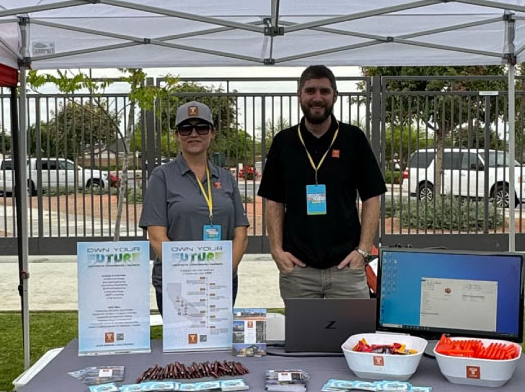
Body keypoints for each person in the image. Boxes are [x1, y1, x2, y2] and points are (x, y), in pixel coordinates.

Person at [258, 63, 385, 299]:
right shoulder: (283, 142)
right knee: (304, 336)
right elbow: (273, 201)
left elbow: (372, 196)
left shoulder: (353, 139)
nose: (317, 98)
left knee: (354, 335)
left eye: (324, 91)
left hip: (347, 269)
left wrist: (364, 250)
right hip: (298, 271)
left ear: (335, 96)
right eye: (310, 91)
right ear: (299, 95)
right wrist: (277, 251)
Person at [140, 101, 249, 312]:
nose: (193, 134)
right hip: (176, 282)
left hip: (221, 281)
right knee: (182, 342)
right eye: (185, 128)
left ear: (212, 133)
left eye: (201, 127)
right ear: (176, 135)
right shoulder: (162, 176)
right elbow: (156, 236)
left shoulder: (225, 178)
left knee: (217, 342)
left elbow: (241, 234)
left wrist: (224, 272)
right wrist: (188, 275)